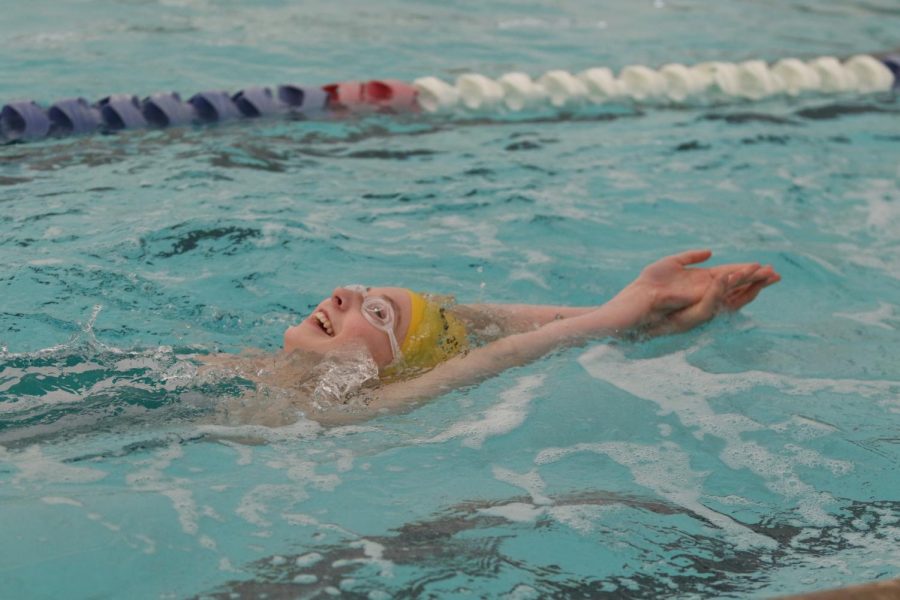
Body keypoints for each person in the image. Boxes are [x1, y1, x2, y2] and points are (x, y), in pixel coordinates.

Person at [206, 249, 779, 426]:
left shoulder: (356, 408)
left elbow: (501, 352)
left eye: (375, 312)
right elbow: (488, 324)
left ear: (400, 366)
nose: (339, 294)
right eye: (359, 291)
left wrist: (620, 317)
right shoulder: (242, 371)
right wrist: (636, 311)